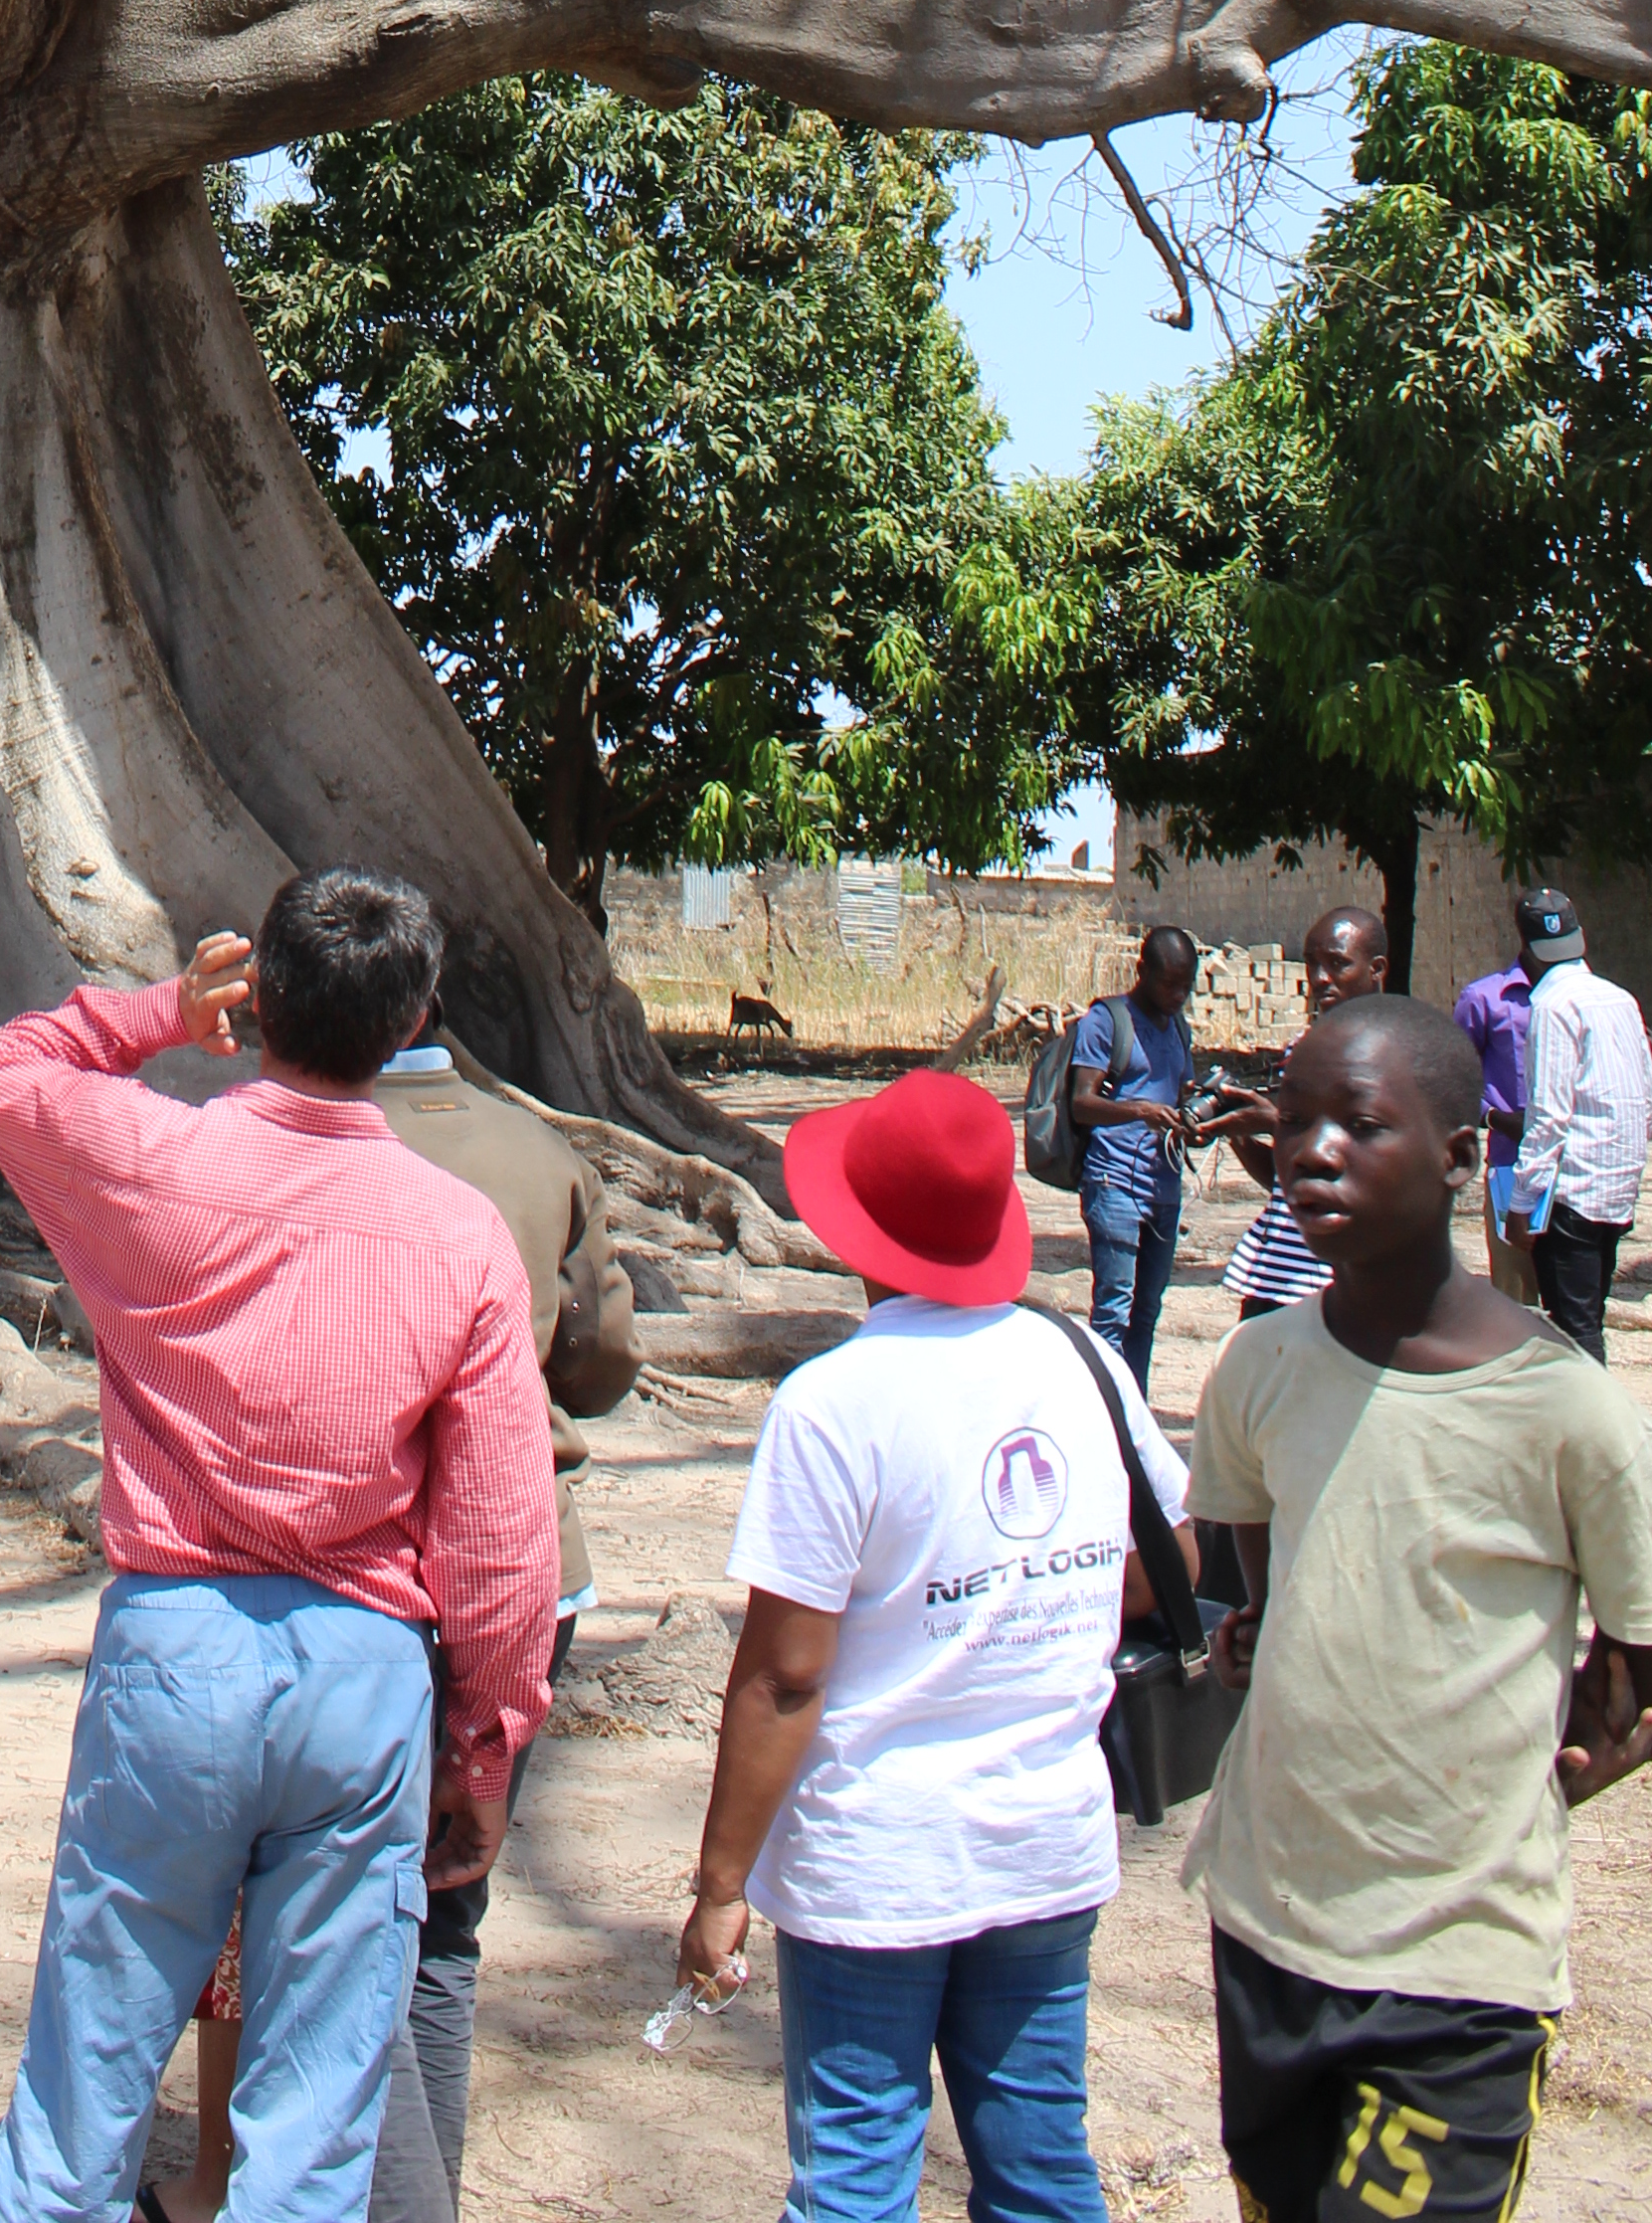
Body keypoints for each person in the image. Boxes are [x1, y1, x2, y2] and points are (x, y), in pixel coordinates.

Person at [0, 872, 560, 2223]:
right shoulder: (459, 1238)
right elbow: (502, 1539)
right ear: (416, 1021)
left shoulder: (153, 1160)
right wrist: (486, 1745)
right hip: (363, 1682)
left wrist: (159, 1014)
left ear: (260, 995)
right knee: (313, 2128)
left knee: (85, 2079)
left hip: (174, 1661)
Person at [673, 1063, 1185, 2223]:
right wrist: (1035, 1608)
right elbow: (1176, 1557)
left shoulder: (833, 1404)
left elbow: (786, 1676)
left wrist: (721, 1885)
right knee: (1042, 2170)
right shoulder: (1083, 1362)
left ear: (858, 1232)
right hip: (1045, 1842)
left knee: (856, 2174)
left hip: (877, 1860)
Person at [145, 1022, 640, 2223]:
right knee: (445, 1923)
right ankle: (427, 2189)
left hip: (366, 1579)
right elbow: (600, 1360)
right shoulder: (539, 1153)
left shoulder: (272, 1152)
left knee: (345, 1924)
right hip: (534, 1574)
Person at [1184, 996, 1652, 2220]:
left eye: (1359, 1123)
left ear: (1458, 1157)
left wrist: (1597, 1741)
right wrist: (1264, 1638)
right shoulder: (1259, 1368)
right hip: (1272, 1923)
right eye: (1294, 1122)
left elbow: (1638, 1640)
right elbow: (1268, 1573)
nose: (1311, 1151)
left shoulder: (1565, 1407)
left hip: (1460, 1965)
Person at [1213, 908, 1388, 1318]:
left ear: (1376, 969)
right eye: (1312, 964)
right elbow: (1287, 1181)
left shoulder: (1393, 1054)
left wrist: (1276, 1123)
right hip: (1275, 1277)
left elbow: (1373, 1168)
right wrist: (1235, 1128)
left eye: (1338, 964)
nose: (1320, 978)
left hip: (1343, 1281)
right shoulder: (1301, 1049)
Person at [1503, 889, 1649, 1367]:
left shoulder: (1552, 1006)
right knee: (1589, 1318)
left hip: (1571, 1197)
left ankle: (1596, 1415)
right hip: (1616, 1190)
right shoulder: (1621, 1000)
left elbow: (1548, 1117)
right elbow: (1642, 1095)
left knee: (1574, 1333)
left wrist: (1521, 1203)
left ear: (1526, 952)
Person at [1066, 922, 1200, 1392]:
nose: (1178, 996)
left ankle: (1133, 1409)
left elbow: (1182, 1094)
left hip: (1164, 1188)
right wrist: (1139, 1110)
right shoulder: (1106, 1021)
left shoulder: (1178, 1027)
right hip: (1114, 1183)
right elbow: (1082, 1103)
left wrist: (1196, 1117)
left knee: (1147, 1312)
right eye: (1169, 984)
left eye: (1186, 987)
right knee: (1113, 1311)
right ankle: (1103, 1412)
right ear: (1141, 971)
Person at [1451, 938, 1540, 1301]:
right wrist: (1495, 1118)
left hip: (1579, 1170)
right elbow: (1454, 1080)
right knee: (1516, 1297)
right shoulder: (1485, 999)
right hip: (1512, 1166)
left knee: (1576, 1305)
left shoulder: (1583, 998)